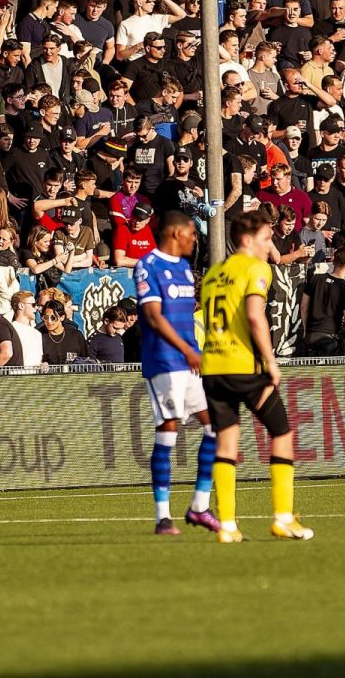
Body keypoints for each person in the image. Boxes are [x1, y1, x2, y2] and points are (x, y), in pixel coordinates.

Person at [197, 209, 312, 543]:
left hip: (214, 366)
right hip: (244, 365)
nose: (271, 244)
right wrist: (270, 360)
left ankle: (228, 526)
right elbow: (255, 316)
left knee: (227, 442)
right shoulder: (256, 268)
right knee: (282, 433)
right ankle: (283, 518)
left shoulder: (214, 274)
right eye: (266, 238)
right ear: (247, 240)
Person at [132, 208, 221, 535]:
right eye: (192, 234)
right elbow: (154, 317)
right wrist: (185, 350)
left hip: (190, 361)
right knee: (168, 432)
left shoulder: (184, 268)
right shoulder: (148, 266)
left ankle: (199, 506)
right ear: (175, 233)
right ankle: (163, 517)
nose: (194, 239)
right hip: (164, 362)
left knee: (215, 426)